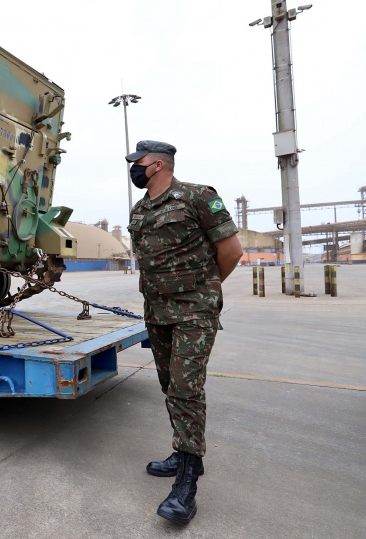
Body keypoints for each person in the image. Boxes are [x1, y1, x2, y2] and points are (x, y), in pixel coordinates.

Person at [125, 141, 243, 525]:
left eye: (138, 163)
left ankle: (187, 482)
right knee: (168, 385)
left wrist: (205, 291)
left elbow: (231, 251)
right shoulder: (140, 209)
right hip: (157, 311)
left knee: (185, 389)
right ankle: (182, 450)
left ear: (157, 165)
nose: (134, 169)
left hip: (194, 311)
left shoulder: (197, 196)